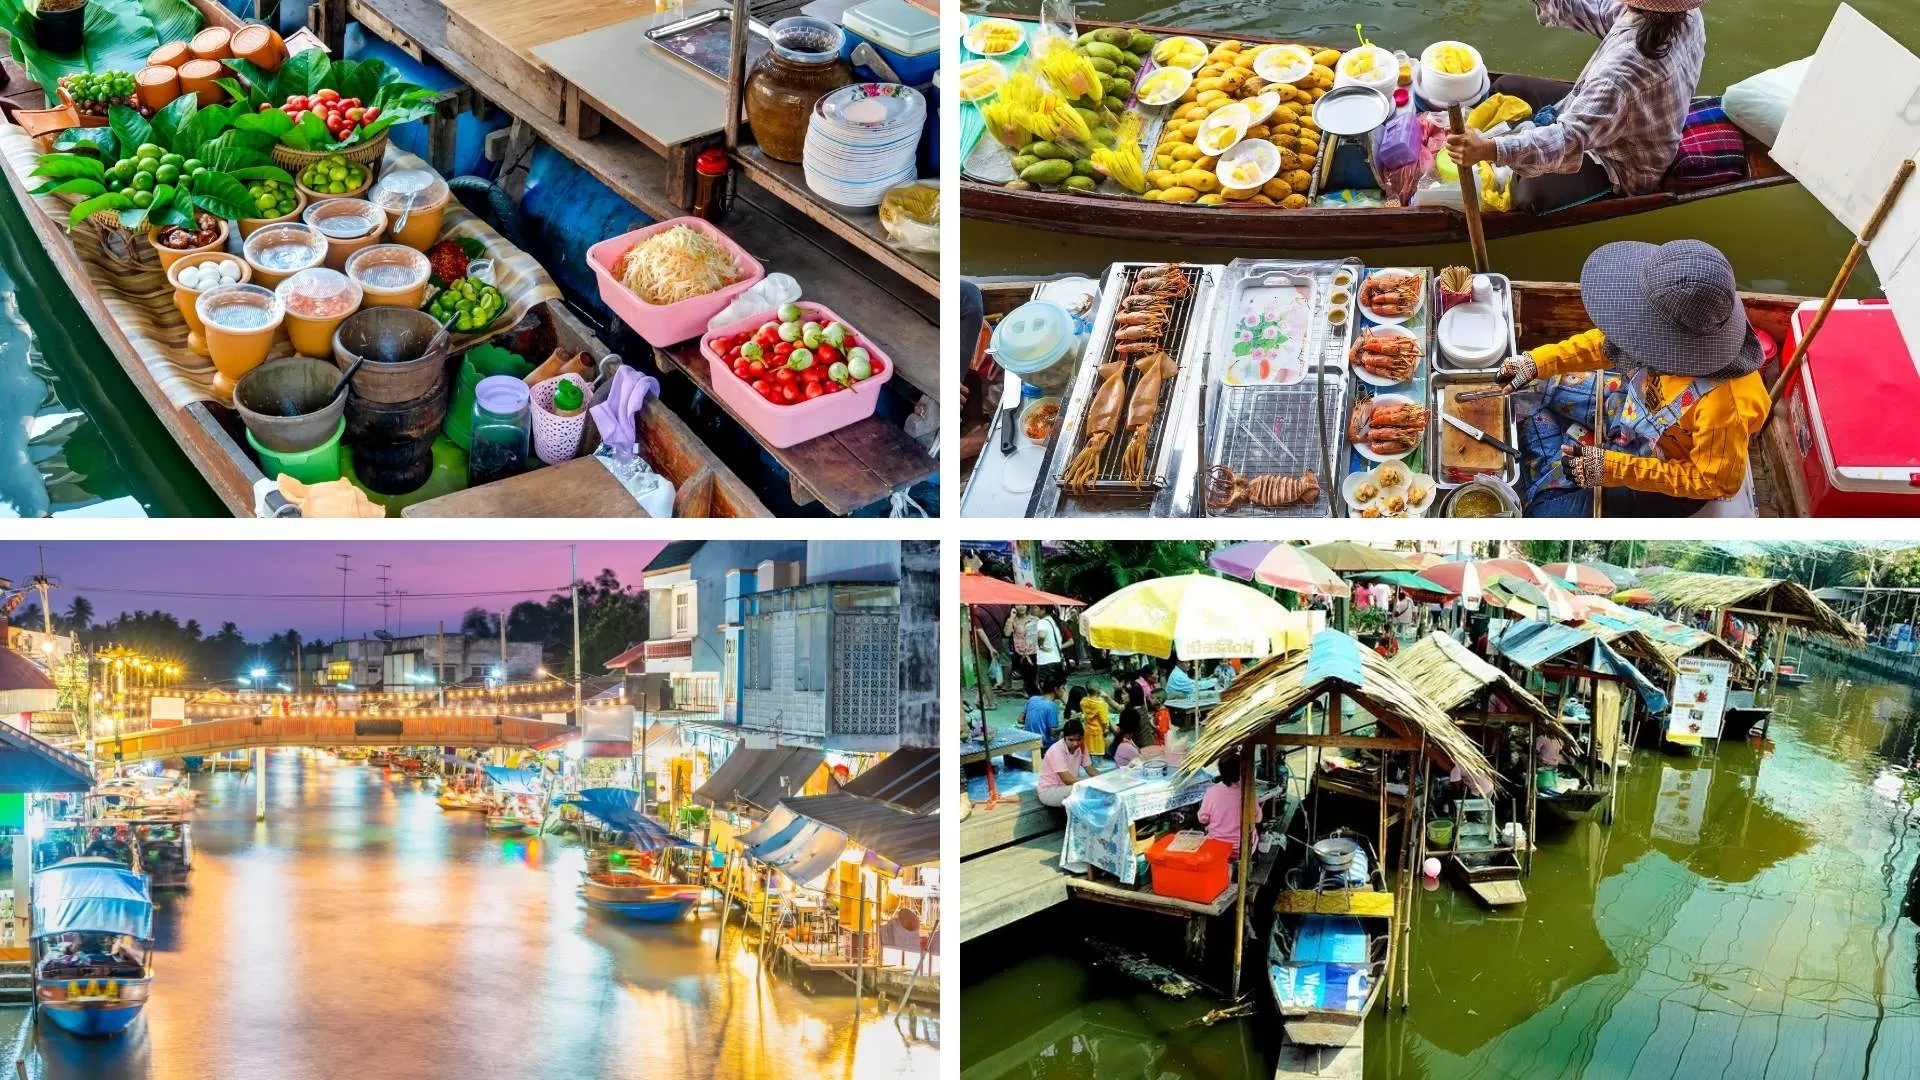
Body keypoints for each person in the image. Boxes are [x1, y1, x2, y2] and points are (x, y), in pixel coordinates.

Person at [1497, 239, 1768, 517]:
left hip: (1665, 467)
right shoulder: (1683, 317)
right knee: (1533, 386)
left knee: (1545, 513)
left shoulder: (1726, 407)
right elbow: (1610, 343)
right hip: (1634, 408)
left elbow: (1714, 482)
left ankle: (1551, 478)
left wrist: (1612, 469)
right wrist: (1536, 362)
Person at [1446, 0, 1708, 215]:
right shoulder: (1688, 16)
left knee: (1526, 193)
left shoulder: (1621, 75)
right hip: (1619, 114)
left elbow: (1568, 140)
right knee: (1506, 87)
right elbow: (1599, 10)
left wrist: (1489, 149)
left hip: (1619, 162)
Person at [1197, 752, 1260, 855]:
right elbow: (1257, 818)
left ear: (1220, 770)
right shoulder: (1248, 792)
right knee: (1255, 833)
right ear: (1241, 771)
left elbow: (1203, 818)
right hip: (1241, 849)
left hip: (1217, 846)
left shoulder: (1212, 791)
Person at [1036, 718, 1096, 807]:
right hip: (1049, 791)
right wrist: (1092, 783)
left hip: (1067, 786)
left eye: (1079, 740)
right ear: (1064, 738)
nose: (1075, 743)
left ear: (1083, 737)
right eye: (1071, 740)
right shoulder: (1056, 750)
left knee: (1096, 785)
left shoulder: (1082, 746)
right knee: (1089, 790)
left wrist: (1104, 779)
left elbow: (1090, 769)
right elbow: (1068, 780)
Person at [1008, 606, 1038, 697]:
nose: (1021, 607)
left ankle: (1036, 696)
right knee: (1027, 679)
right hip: (1020, 655)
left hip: (1035, 652)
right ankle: (1032, 696)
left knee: (1035, 678)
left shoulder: (1035, 619)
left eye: (1023, 604)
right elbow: (1007, 633)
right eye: (1018, 604)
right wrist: (1011, 618)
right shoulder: (1013, 620)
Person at [1032, 607, 1064, 691]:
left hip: (1045, 661)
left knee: (1047, 690)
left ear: (1043, 610)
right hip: (1056, 659)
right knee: (1059, 688)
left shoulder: (1042, 622)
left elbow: (1041, 635)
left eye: (1035, 607)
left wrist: (1040, 645)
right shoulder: (1052, 621)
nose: (1033, 610)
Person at [1023, 683, 1063, 748]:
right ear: (1056, 689)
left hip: (1028, 741)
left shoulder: (1032, 699)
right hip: (1043, 745)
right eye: (1063, 688)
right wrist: (1065, 726)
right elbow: (1052, 732)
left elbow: (1020, 719)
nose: (1064, 691)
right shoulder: (1052, 706)